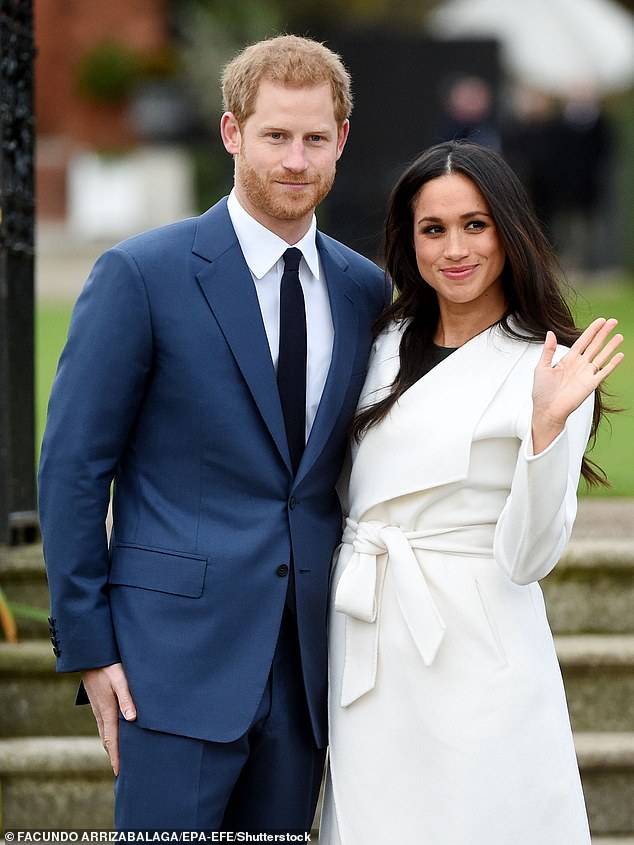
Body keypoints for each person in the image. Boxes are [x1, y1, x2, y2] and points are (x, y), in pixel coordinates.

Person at [38, 34, 386, 832]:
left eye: (314, 138)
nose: (295, 160)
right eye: (275, 136)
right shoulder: (140, 275)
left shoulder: (365, 290)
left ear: (341, 141)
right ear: (232, 134)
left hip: (308, 677)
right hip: (169, 670)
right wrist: (90, 648)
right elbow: (71, 470)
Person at [320, 140, 623, 845]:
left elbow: (529, 556)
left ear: (508, 231)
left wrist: (548, 426)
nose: (454, 249)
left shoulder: (548, 367)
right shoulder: (379, 341)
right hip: (366, 630)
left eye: (475, 225)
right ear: (410, 239)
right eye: (434, 229)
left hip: (476, 647)